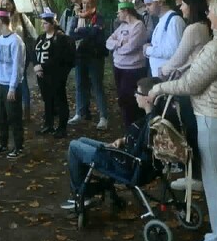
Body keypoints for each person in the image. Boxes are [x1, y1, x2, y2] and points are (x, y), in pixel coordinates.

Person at [146, 0, 217, 241]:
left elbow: (190, 83)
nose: (207, 14)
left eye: (212, 10)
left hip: (216, 120)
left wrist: (158, 89)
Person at [60, 76, 163, 210]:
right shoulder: (152, 119)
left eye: (137, 93)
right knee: (81, 141)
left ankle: (82, 195)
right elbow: (140, 142)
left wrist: (120, 148)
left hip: (126, 165)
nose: (135, 96)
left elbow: (139, 147)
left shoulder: (147, 125)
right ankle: (86, 191)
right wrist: (123, 140)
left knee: (74, 146)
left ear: (148, 98)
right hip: (127, 158)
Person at [158, 0, 212, 192]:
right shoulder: (206, 27)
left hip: (189, 85)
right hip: (201, 83)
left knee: (190, 129)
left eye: (184, 4)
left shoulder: (193, 29)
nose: (181, 8)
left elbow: (179, 57)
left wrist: (164, 70)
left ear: (192, 6)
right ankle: (200, 172)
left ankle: (195, 176)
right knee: (197, 129)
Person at [0, 9, 26, 158]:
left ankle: (18, 146)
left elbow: (17, 66)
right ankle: (2, 144)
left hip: (11, 85)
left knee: (14, 116)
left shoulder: (16, 41)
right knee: (0, 115)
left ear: (1, 21)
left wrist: (12, 87)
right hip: (0, 84)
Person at [32, 8, 76, 139]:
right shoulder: (41, 37)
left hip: (56, 75)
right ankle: (48, 124)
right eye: (42, 23)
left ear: (52, 23)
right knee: (47, 100)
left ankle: (62, 127)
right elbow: (34, 52)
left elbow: (58, 57)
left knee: (60, 99)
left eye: (45, 23)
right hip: (42, 75)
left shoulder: (60, 38)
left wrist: (42, 66)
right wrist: (35, 66)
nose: (42, 25)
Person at [68, 0, 109, 130]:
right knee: (80, 85)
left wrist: (81, 31)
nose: (85, 5)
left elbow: (96, 32)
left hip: (95, 56)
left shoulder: (99, 18)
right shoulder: (76, 18)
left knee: (97, 86)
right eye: (84, 2)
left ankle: (103, 116)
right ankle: (81, 113)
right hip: (80, 56)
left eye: (89, 3)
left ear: (94, 3)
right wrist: (85, 31)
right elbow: (71, 34)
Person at [106, 0, 148, 129]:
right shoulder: (122, 26)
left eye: (119, 11)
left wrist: (117, 46)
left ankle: (135, 128)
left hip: (133, 69)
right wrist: (119, 43)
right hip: (119, 67)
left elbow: (130, 48)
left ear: (126, 11)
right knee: (123, 99)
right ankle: (128, 128)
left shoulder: (138, 26)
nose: (117, 14)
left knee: (131, 101)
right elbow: (108, 43)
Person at [1, 0, 37, 118]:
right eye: (3, 4)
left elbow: (32, 31)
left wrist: (37, 44)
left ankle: (25, 110)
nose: (6, 6)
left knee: (22, 79)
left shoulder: (21, 16)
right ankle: (12, 109)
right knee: (8, 80)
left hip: (21, 52)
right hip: (6, 54)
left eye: (8, 4)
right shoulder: (1, 18)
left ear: (12, 4)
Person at [144, 0, 185, 78]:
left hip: (168, 77)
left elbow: (174, 52)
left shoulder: (174, 20)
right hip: (160, 75)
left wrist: (148, 50)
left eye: (149, 4)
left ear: (160, 2)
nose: (146, 8)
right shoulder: (162, 20)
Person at [61, 0, 86, 118]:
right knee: (78, 82)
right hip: (72, 50)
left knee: (92, 83)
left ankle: (101, 115)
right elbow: (63, 28)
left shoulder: (89, 9)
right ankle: (80, 111)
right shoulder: (68, 11)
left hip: (88, 50)